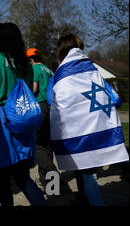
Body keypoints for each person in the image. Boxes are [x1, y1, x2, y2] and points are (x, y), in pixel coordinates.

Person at [50, 34, 129, 206]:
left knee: (80, 168)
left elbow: (57, 100)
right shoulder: (92, 69)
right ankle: (82, 197)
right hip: (95, 124)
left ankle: (83, 199)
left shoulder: (60, 74)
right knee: (82, 167)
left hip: (74, 128)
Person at [0, 23, 47, 206]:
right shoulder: (25, 63)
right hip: (24, 121)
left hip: (2, 124)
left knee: (1, 178)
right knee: (23, 177)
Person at [25, 48, 61, 188]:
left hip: (39, 107)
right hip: (51, 108)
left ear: (30, 59)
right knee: (47, 145)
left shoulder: (35, 69)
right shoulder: (49, 70)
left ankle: (54, 177)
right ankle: (49, 184)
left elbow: (34, 89)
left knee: (37, 146)